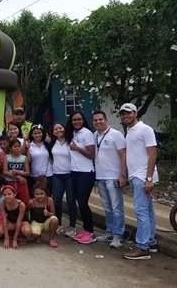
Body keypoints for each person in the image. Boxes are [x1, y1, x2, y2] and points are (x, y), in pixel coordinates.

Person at [120, 103, 159, 260]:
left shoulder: (145, 129)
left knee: (141, 211)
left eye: (128, 113)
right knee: (148, 210)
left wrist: (149, 179)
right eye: (123, 114)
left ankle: (142, 247)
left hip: (143, 176)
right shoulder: (130, 130)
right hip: (137, 175)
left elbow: (153, 154)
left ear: (135, 113)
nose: (126, 116)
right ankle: (150, 241)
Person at [93, 111, 127, 248]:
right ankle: (110, 231)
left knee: (116, 207)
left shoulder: (116, 135)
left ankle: (118, 235)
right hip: (100, 176)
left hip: (113, 177)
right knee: (107, 207)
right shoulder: (95, 135)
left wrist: (122, 175)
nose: (98, 122)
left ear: (106, 120)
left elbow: (123, 155)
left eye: (100, 119)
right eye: (95, 120)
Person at [66, 111, 96, 244]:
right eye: (74, 120)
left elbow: (91, 155)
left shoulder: (87, 133)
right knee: (78, 201)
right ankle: (85, 230)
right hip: (74, 172)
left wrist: (77, 148)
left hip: (86, 172)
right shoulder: (72, 133)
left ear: (83, 120)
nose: (76, 122)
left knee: (83, 203)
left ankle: (90, 232)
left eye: (79, 119)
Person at [50, 123, 78, 238]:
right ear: (53, 132)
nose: (58, 130)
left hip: (69, 175)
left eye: (60, 128)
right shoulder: (52, 143)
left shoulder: (71, 141)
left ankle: (72, 226)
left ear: (64, 129)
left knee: (71, 201)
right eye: (55, 129)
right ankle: (59, 223)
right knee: (56, 201)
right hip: (57, 175)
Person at [2, 138, 31, 205]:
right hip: (10, 183)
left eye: (18, 146)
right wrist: (18, 177)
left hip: (22, 183)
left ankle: (24, 215)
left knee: (25, 202)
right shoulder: (7, 157)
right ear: (10, 148)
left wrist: (18, 172)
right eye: (15, 147)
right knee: (10, 201)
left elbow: (27, 173)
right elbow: (5, 171)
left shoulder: (24, 158)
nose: (17, 148)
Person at [27, 124, 53, 192]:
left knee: (48, 196)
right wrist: (27, 148)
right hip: (35, 176)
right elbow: (28, 161)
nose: (37, 135)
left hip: (48, 174)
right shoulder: (30, 145)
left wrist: (50, 143)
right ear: (32, 135)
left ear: (43, 133)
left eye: (39, 133)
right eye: (35, 133)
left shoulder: (46, 143)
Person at [0, 185, 26, 249]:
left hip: (22, 222)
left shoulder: (21, 205)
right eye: (4, 195)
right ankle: (10, 236)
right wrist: (6, 238)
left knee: (27, 231)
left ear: (14, 194)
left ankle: (18, 236)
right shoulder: (2, 203)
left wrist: (15, 240)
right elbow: (4, 220)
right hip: (11, 222)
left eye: (9, 194)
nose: (7, 196)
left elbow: (19, 222)